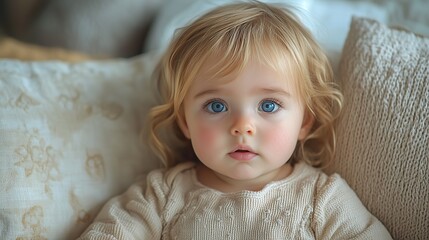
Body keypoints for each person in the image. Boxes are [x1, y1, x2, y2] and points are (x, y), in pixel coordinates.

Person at [78, 1, 392, 239]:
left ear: (305, 121)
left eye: (269, 105)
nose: (242, 126)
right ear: (185, 122)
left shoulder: (322, 198)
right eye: (216, 106)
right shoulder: (163, 194)